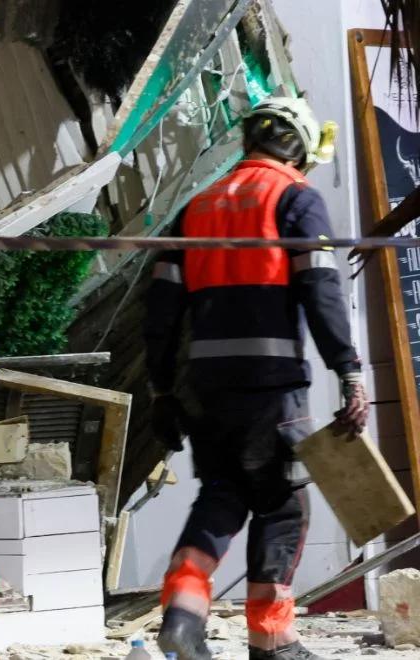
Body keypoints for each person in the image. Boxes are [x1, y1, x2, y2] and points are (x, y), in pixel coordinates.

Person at [144, 98, 369, 660]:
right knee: (281, 504)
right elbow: (321, 291)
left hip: (205, 387)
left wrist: (162, 390)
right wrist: (349, 370)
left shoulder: (196, 206)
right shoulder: (294, 198)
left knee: (222, 494)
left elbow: (161, 309)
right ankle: (273, 641)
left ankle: (182, 613)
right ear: (295, 143)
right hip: (271, 388)